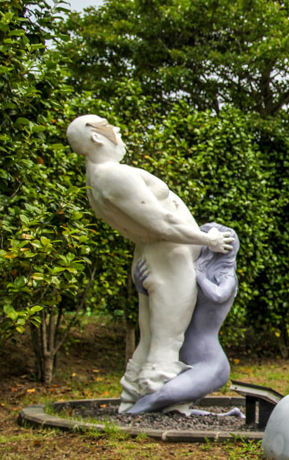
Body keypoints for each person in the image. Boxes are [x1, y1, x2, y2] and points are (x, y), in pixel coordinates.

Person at [66, 115, 233, 410]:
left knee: (151, 337)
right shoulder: (114, 174)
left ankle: (133, 399)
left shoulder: (96, 180)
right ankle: (163, 407)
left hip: (153, 256)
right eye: (107, 124)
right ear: (95, 136)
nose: (116, 128)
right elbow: (163, 222)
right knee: (167, 341)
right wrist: (210, 241)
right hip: (169, 258)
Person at [126, 224, 238, 415]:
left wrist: (199, 275)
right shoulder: (192, 270)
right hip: (181, 357)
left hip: (210, 364)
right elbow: (165, 298)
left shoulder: (226, 276)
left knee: (159, 397)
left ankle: (125, 419)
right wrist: (141, 283)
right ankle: (228, 415)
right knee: (171, 408)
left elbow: (219, 295)